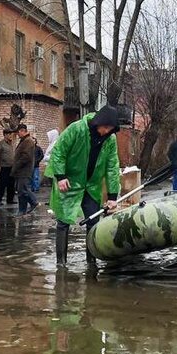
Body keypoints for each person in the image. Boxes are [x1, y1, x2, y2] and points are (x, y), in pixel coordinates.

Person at [46, 105, 121, 266]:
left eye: (111, 129)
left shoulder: (110, 139)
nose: (107, 131)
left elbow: (112, 166)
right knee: (63, 221)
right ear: (99, 122)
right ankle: (61, 263)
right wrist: (60, 176)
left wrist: (113, 196)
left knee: (93, 221)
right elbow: (59, 152)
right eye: (106, 127)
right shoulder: (77, 129)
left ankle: (91, 261)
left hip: (91, 186)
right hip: (69, 181)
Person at [12, 124, 38, 215]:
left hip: (24, 170)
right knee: (21, 191)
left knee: (23, 190)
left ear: (23, 131)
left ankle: (33, 202)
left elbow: (26, 157)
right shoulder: (24, 140)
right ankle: (22, 210)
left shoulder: (28, 141)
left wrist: (17, 165)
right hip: (21, 171)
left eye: (18, 132)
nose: (18, 134)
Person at [0, 130, 16, 206]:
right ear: (5, 135)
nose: (10, 136)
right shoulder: (0, 144)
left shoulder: (11, 144)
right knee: (2, 184)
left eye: (11, 134)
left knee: (11, 184)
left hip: (12, 167)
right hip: (4, 167)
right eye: (9, 134)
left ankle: (10, 199)